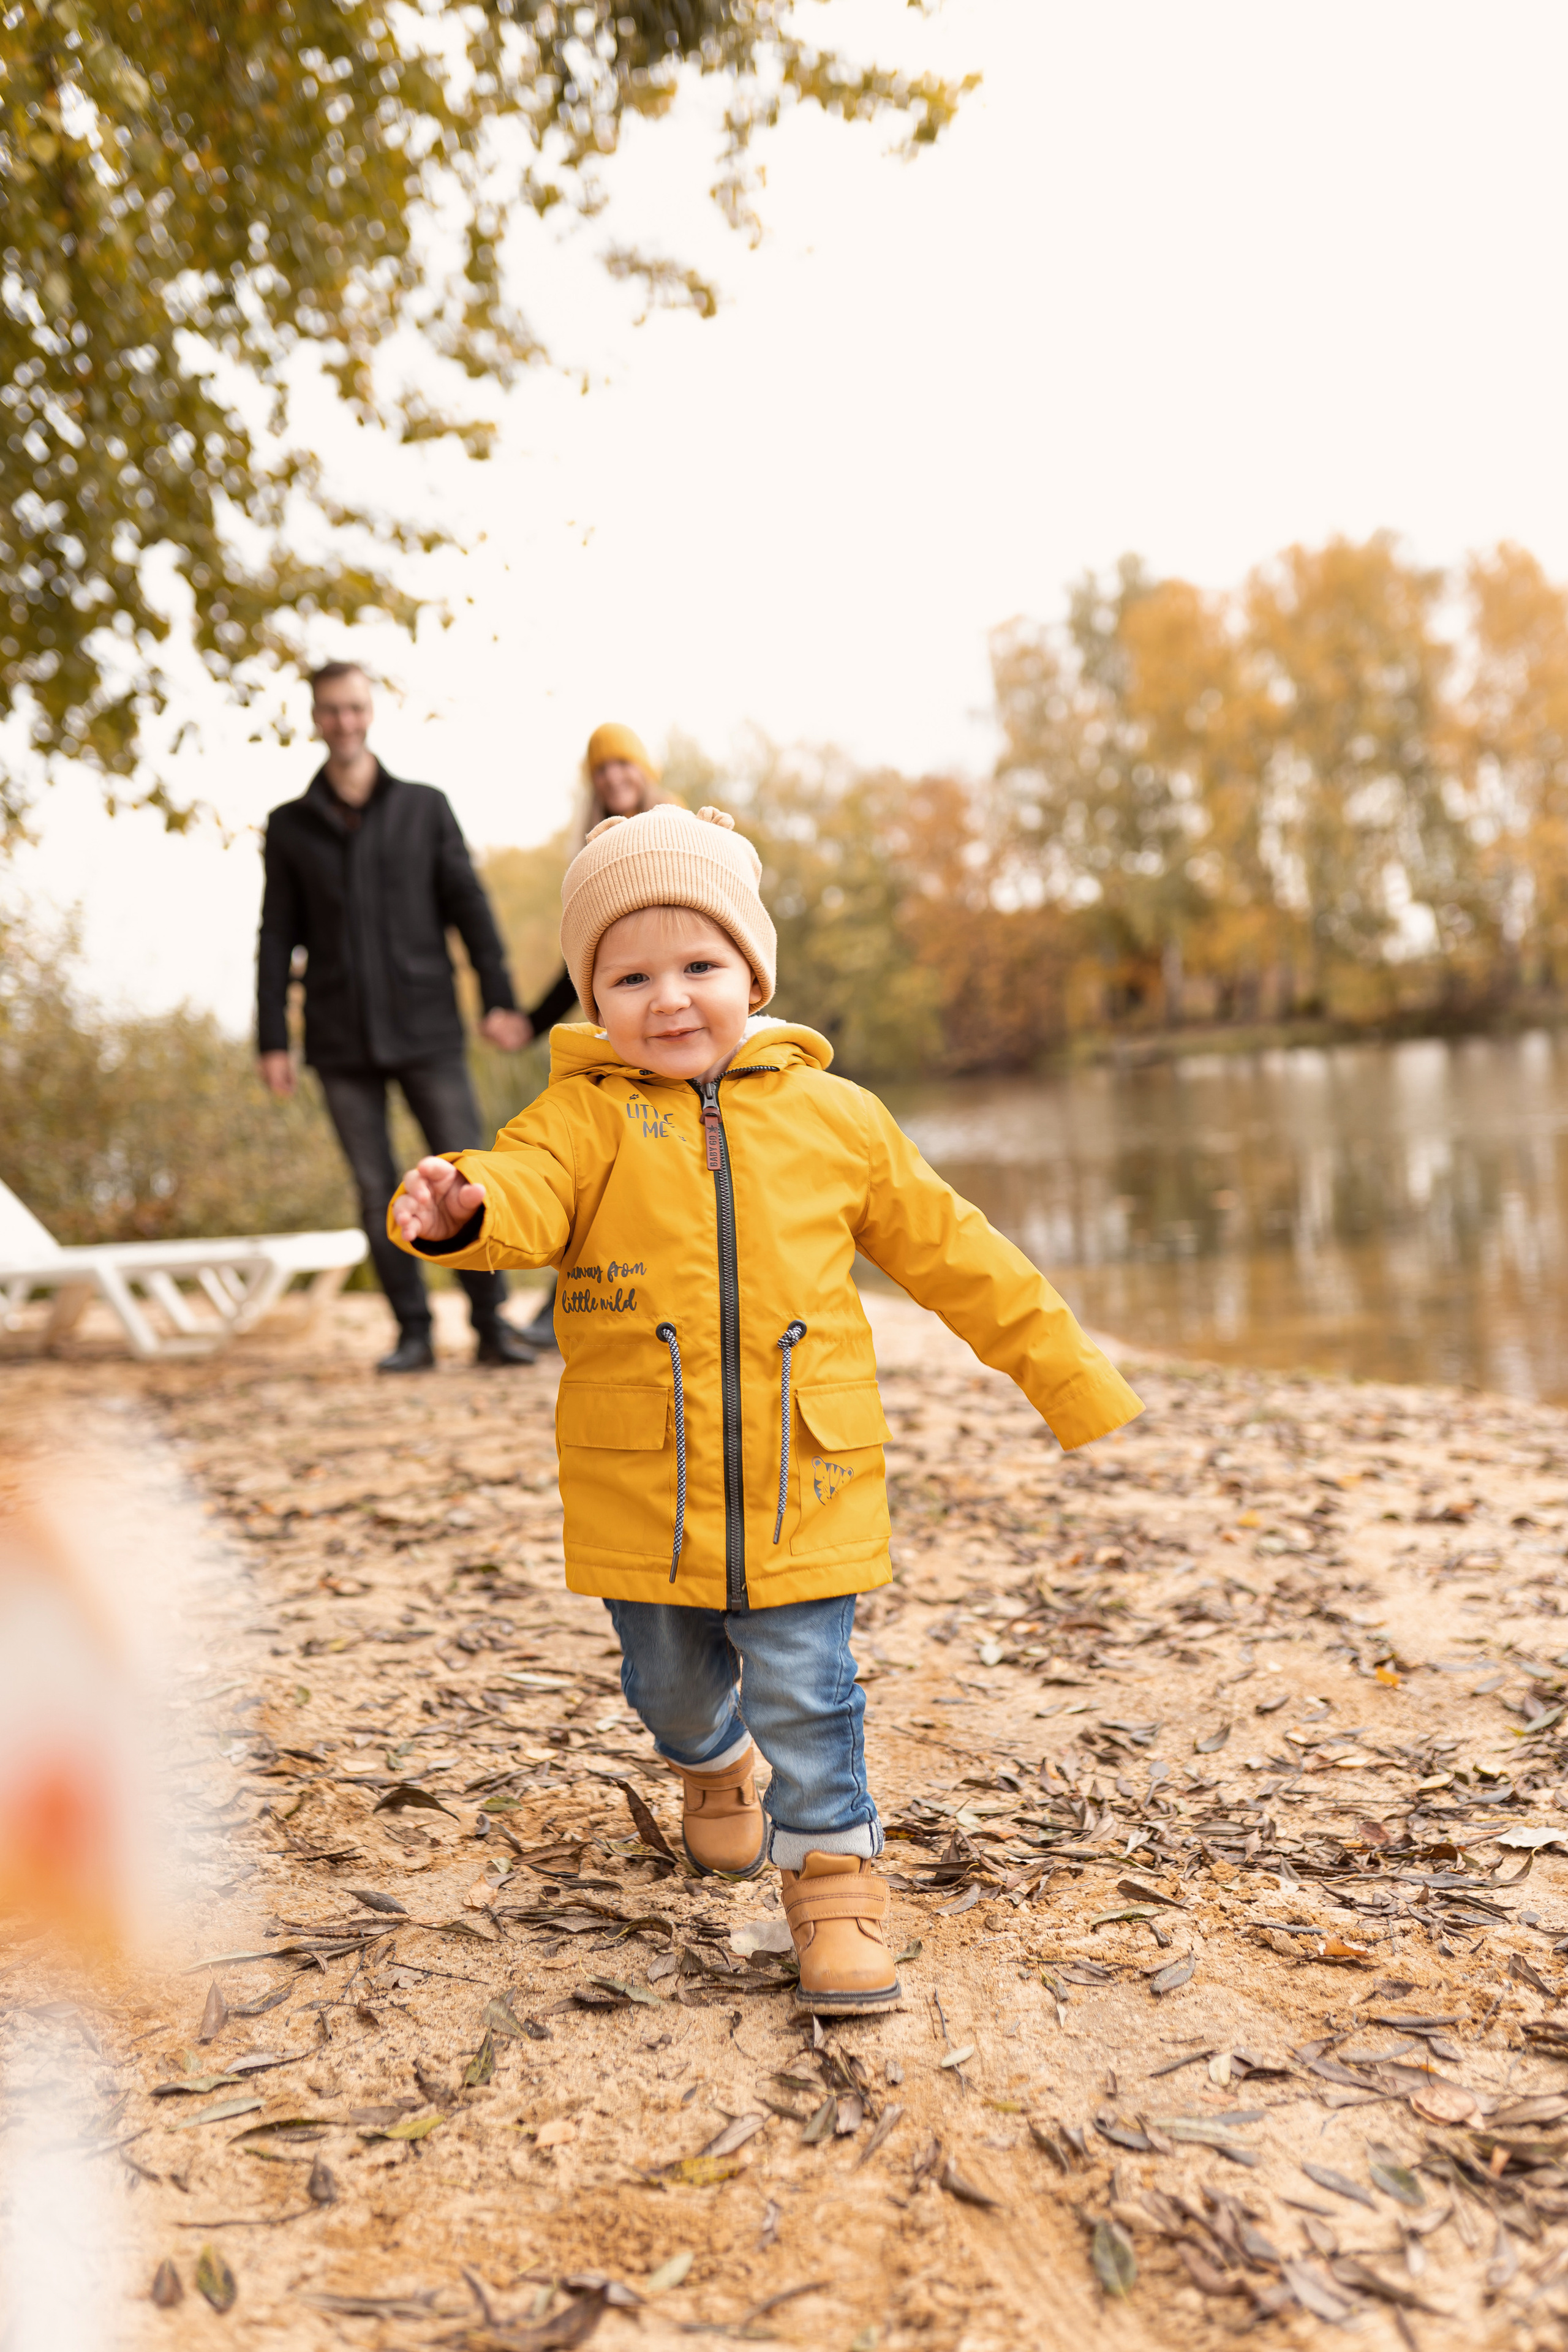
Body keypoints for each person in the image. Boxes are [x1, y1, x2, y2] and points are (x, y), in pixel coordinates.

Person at [387, 803, 1143, 2013]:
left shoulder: (837, 1121)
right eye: (630, 975)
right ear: (591, 997)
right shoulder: (579, 1122)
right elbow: (522, 1190)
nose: (669, 998)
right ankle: (710, 1765)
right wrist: (464, 1206)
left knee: (808, 1686)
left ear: (753, 972)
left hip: (808, 1474)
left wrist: (1067, 1375)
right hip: (645, 1482)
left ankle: (833, 1887)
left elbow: (962, 1255)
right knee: (670, 1687)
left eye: (699, 966)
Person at [255, 660, 537, 1374]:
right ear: (316, 719)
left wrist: (499, 995)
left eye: (353, 708)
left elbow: (468, 904)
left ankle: (490, 1323)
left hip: (428, 1025)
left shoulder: (424, 806)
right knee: (374, 1183)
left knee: (465, 1170)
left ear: (370, 713)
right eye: (330, 711)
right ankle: (412, 1330)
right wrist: (271, 1038)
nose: (343, 722)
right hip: (337, 1033)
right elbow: (275, 932)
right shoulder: (290, 826)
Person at [510, 722, 669, 1352]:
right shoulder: (594, 849)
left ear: (643, 769)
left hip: (671, 1021)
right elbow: (583, 955)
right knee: (601, 1163)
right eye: (601, 771)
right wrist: (529, 1022)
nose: (613, 779)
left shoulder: (673, 827)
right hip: (618, 1022)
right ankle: (574, 1303)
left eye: (622, 765)